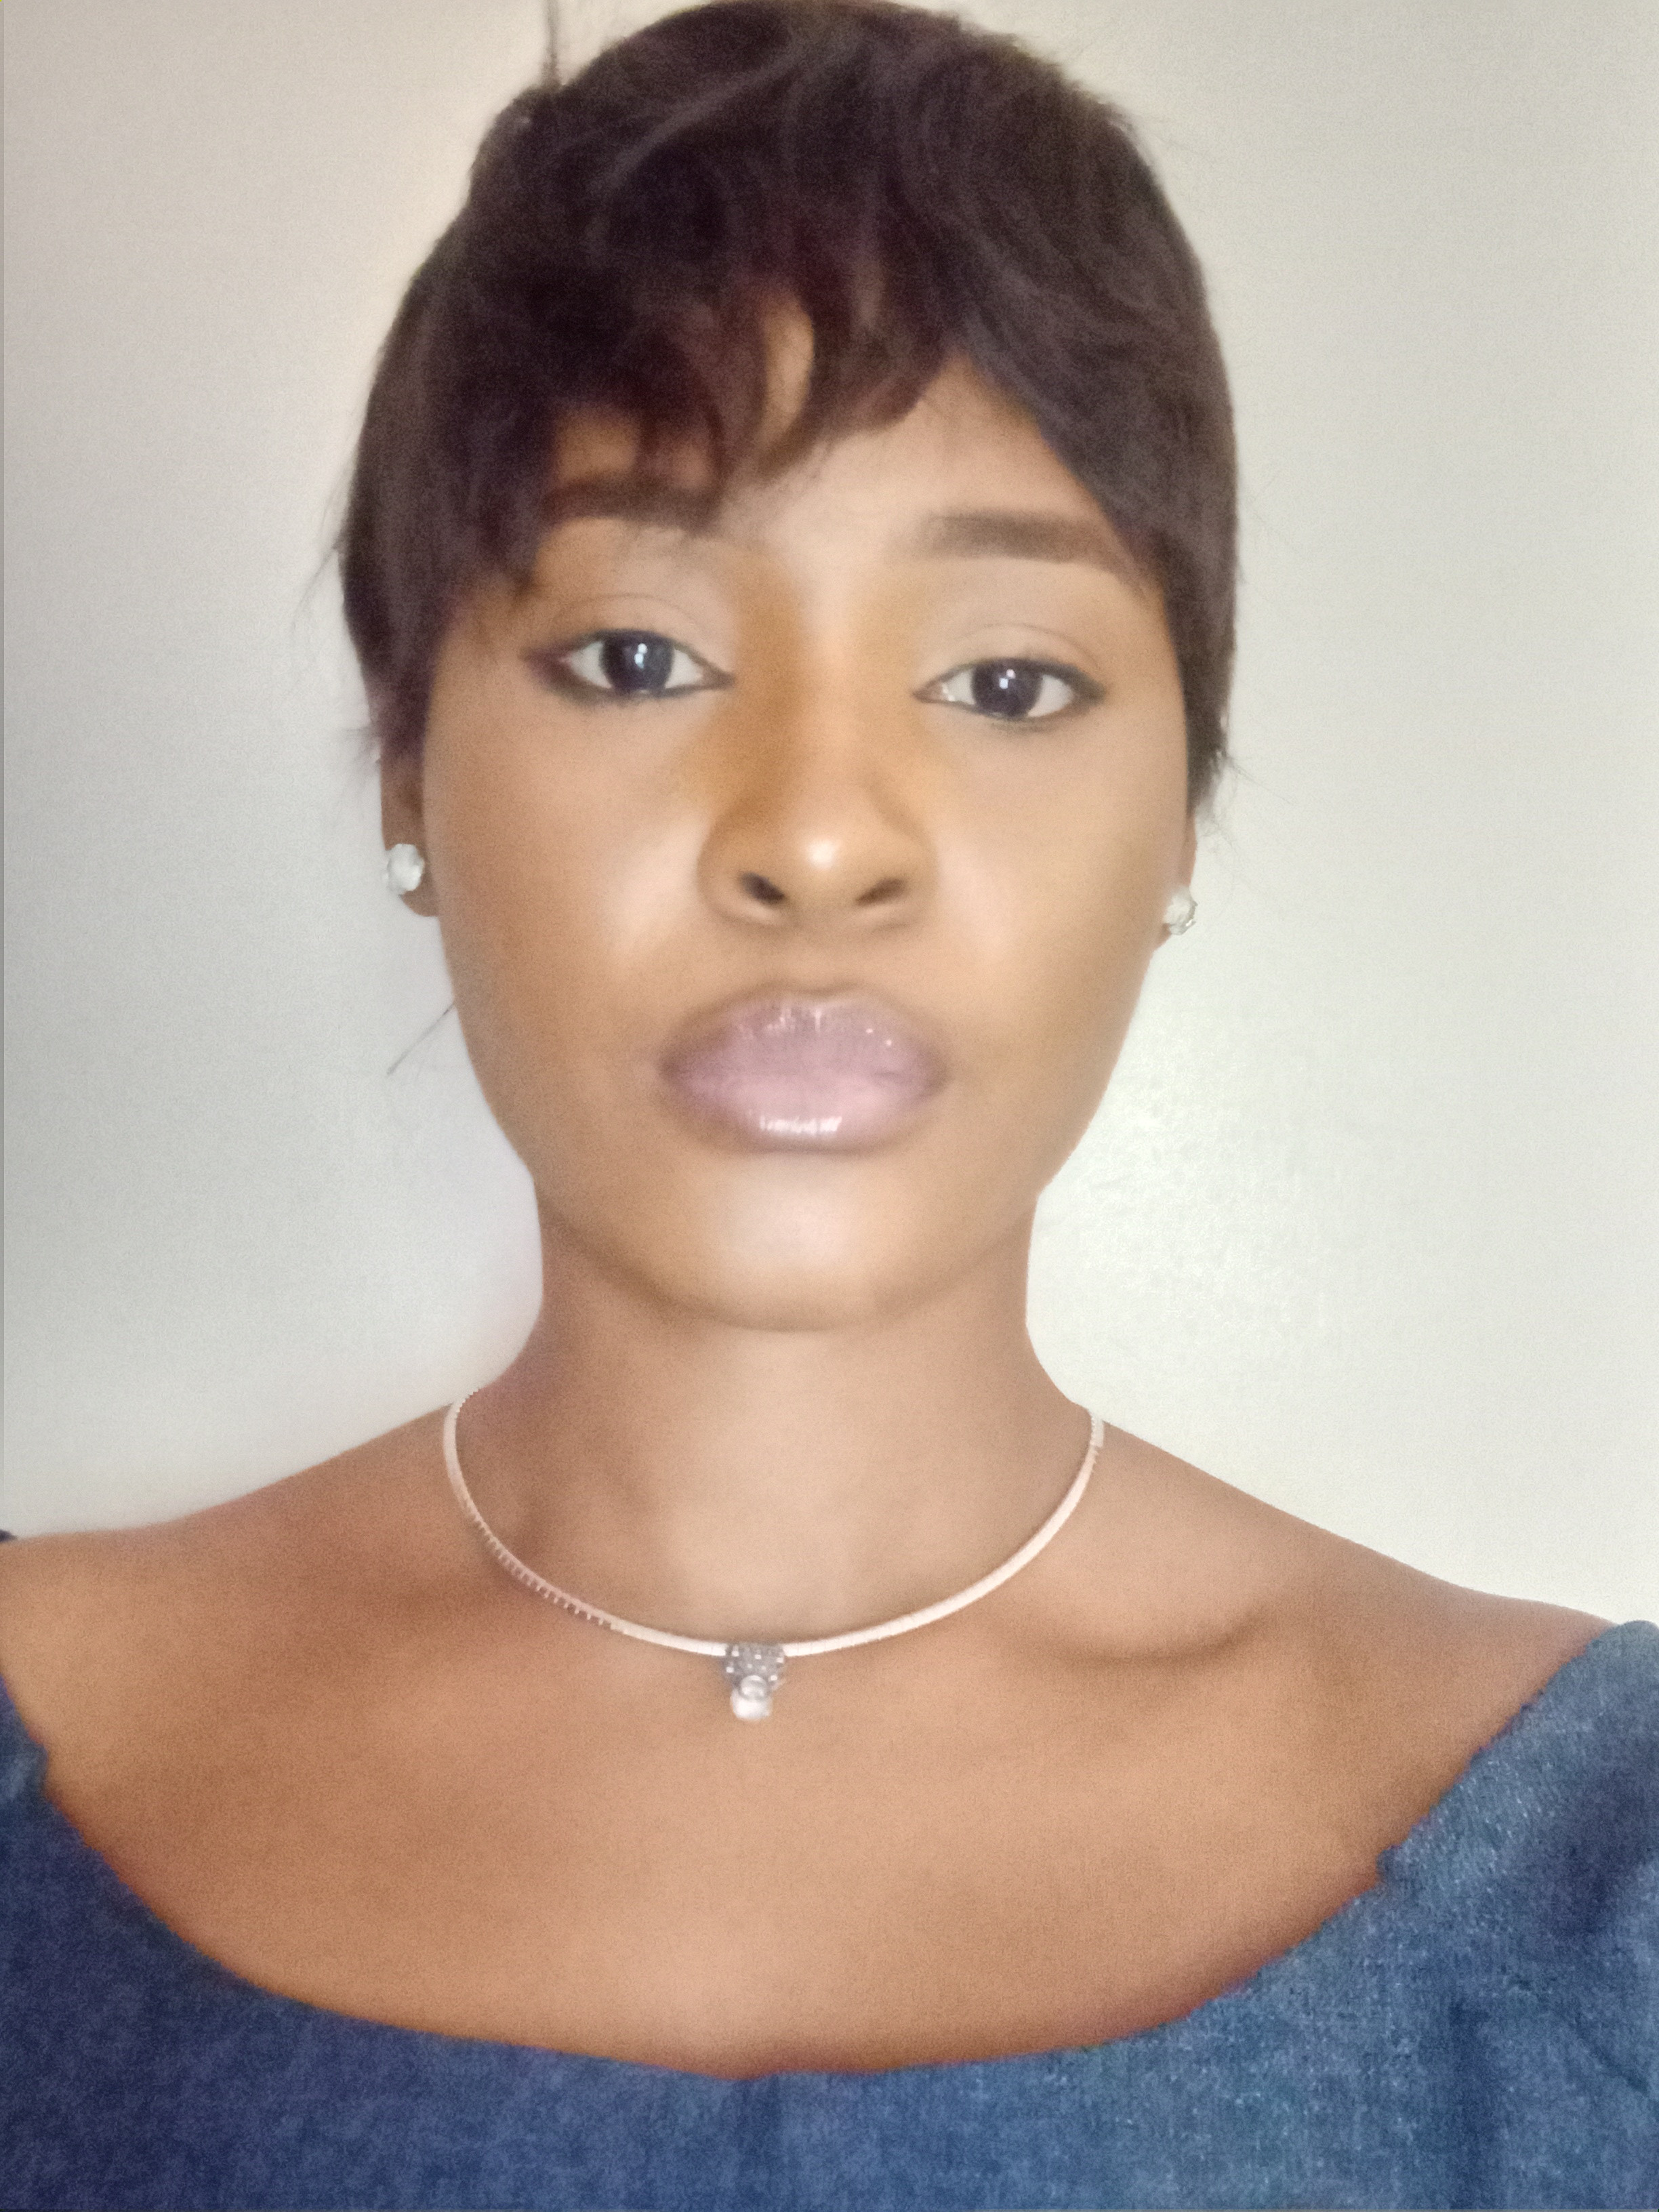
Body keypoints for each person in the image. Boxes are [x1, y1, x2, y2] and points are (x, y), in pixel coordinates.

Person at [1, 1, 1654, 2206]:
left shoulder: (1599, 1899)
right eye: (638, 656)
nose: (815, 836)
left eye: (1004, 679)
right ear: (406, 763)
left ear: (1180, 813)